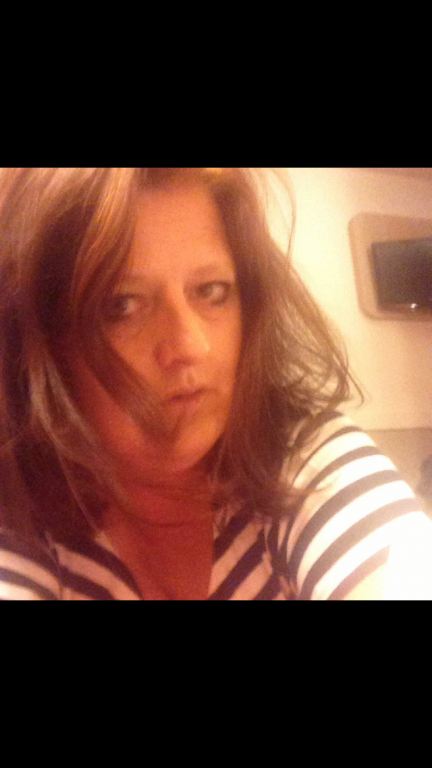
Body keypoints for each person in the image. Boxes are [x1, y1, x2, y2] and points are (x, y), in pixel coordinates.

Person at [0, 167, 431, 600]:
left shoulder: (303, 460)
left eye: (211, 291)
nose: (192, 346)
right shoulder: (21, 520)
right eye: (122, 304)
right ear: (44, 342)